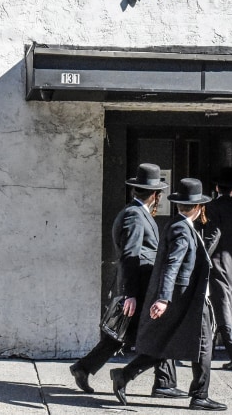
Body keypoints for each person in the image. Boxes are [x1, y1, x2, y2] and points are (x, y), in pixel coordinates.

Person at [110, 178, 227, 411]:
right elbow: (171, 265)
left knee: (167, 343)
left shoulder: (177, 225)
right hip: (186, 300)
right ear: (197, 207)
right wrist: (163, 298)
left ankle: (124, 375)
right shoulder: (182, 230)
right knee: (203, 346)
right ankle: (200, 396)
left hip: (182, 298)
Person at [69, 163, 185, 399]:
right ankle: (161, 382)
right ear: (154, 194)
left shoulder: (136, 213)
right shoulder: (134, 215)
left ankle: (84, 367)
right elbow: (129, 255)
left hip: (141, 287)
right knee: (159, 332)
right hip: (139, 288)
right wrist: (129, 293)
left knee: (119, 335)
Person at [204, 167, 232, 370]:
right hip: (231, 263)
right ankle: (211, 349)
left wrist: (202, 256)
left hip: (217, 262)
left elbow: (213, 234)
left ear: (216, 188)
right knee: (222, 304)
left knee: (221, 308)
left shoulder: (212, 207)